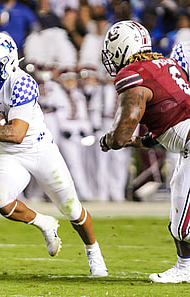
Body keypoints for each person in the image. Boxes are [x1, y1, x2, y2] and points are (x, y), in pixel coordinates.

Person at [0, 32, 108, 276]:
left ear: (8, 62)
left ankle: (94, 253)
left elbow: (16, 133)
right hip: (8, 153)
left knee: (72, 209)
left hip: (39, 149)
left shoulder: (22, 82)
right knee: (0, 200)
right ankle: (44, 223)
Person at [99, 20, 190, 283]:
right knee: (179, 215)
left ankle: (185, 269)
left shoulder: (135, 73)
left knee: (185, 225)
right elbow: (168, 128)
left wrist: (113, 139)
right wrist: (132, 141)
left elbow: (124, 130)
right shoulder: (164, 64)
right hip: (186, 147)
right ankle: (184, 268)